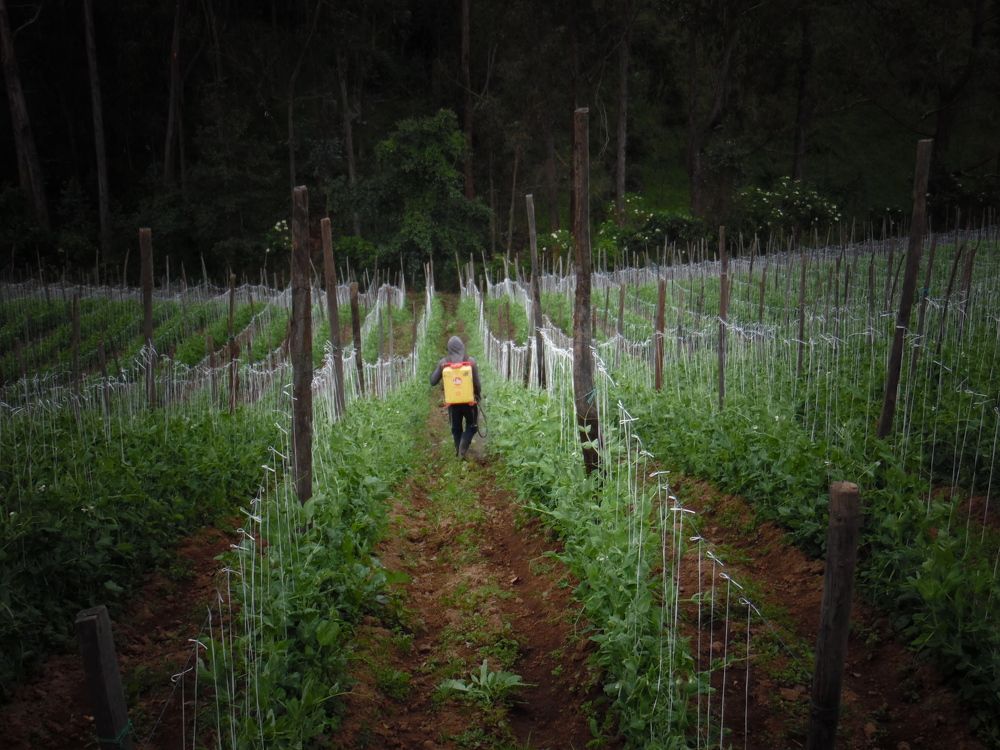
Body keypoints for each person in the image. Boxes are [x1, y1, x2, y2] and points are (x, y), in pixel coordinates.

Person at [430, 335, 481, 458]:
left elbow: (432, 381)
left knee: (456, 429)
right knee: (472, 426)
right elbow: (477, 383)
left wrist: (441, 369)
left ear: (449, 349)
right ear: (462, 347)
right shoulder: (470, 361)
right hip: (469, 402)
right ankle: (463, 447)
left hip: (453, 404)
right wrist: (478, 395)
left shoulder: (444, 362)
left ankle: (459, 451)